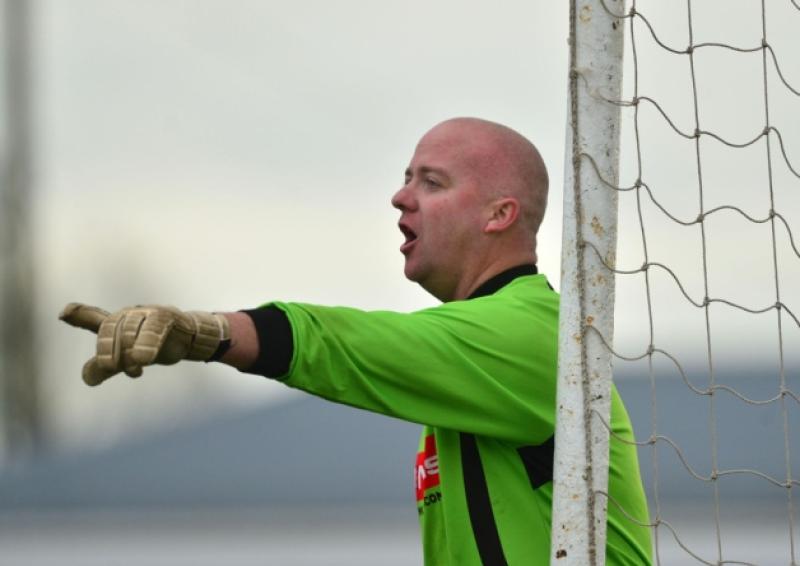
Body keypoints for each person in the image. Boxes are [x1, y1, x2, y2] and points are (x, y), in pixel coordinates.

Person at [60, 117, 652, 565]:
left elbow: (342, 345)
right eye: (405, 177)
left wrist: (205, 332)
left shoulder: (529, 331)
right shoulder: (478, 353)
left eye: (432, 181)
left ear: (499, 214)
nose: (400, 196)